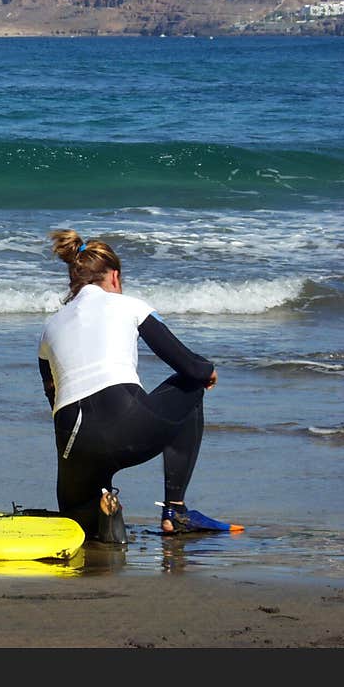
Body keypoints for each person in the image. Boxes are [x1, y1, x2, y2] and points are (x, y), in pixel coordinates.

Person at [37, 229, 228, 544]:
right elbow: (187, 365)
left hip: (74, 448)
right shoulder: (129, 306)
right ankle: (175, 511)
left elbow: (53, 398)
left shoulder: (48, 328)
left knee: (76, 517)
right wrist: (207, 371)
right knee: (191, 384)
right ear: (114, 276)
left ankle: (99, 506)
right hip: (125, 430)